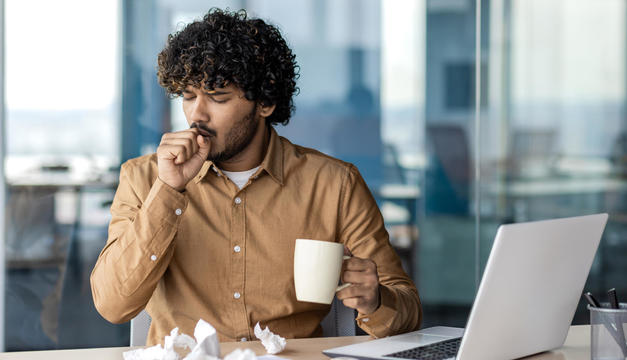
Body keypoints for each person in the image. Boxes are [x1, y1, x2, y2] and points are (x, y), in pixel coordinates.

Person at [90, 8, 422, 345]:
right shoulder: (144, 179)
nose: (197, 114)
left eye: (218, 97)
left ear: (264, 102)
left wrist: (377, 299)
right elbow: (113, 306)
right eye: (188, 96)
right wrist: (168, 190)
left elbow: (407, 310)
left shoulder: (335, 184)